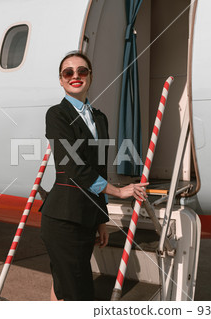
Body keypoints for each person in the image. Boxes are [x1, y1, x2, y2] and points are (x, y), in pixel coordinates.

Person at [40, 51, 148, 301]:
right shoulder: (57, 115)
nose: (75, 76)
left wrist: (101, 220)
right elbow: (74, 168)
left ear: (90, 76)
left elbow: (98, 168)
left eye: (82, 71)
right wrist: (119, 191)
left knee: (65, 288)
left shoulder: (100, 118)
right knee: (79, 292)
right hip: (63, 220)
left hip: (86, 219)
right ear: (61, 80)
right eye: (68, 72)